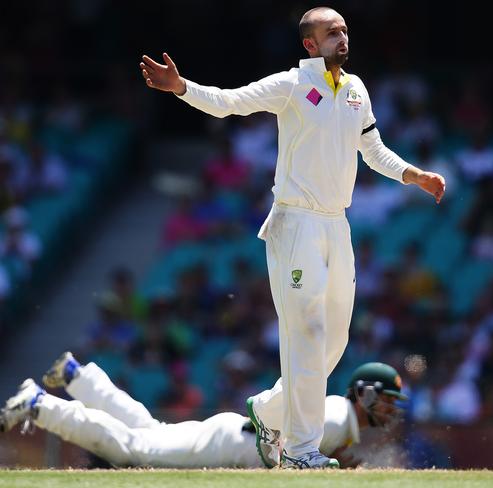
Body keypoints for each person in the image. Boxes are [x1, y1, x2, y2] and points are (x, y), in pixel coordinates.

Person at [139, 6, 444, 469]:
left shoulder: (356, 89)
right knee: (307, 333)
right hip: (295, 222)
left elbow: (372, 148)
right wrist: (182, 88)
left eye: (344, 30)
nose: (341, 38)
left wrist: (412, 174)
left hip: (336, 225)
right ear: (309, 44)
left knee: (334, 341)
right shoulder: (292, 85)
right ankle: (302, 450)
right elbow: (229, 101)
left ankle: (266, 410)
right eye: (330, 32)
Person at [0, 353, 406, 469]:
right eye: (387, 398)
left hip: (232, 438)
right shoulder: (337, 417)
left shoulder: (337, 415)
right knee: (133, 449)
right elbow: (284, 459)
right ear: (366, 394)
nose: (391, 409)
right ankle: (41, 404)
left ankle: (76, 376)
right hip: (232, 446)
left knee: (149, 430)